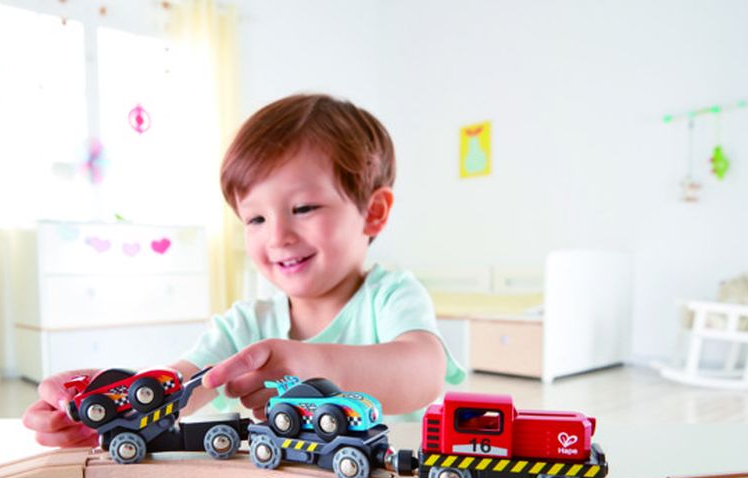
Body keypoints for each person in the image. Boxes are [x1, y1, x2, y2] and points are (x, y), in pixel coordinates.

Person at [23, 93, 464, 448]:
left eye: (304, 208)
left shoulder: (391, 296)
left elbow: (424, 373)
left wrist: (308, 362)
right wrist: (105, 401)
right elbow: (176, 388)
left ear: (373, 211)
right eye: (255, 219)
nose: (278, 236)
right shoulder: (245, 327)